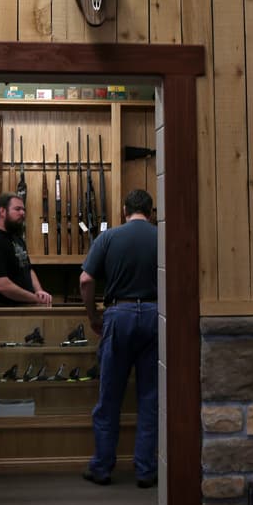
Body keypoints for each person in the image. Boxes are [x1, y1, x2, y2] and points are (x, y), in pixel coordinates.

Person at [78, 188, 158, 488]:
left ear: (124, 210)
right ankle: (146, 470)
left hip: (119, 313)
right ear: (150, 212)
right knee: (150, 397)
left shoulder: (108, 237)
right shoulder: (161, 237)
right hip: (155, 315)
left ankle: (102, 467)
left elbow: (86, 279)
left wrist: (93, 316)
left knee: (109, 396)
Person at [0, 192, 53, 306]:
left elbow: (27, 268)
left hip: (24, 306)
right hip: (5, 312)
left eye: (23, 210)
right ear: (2, 211)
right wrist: (34, 298)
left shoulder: (16, 238)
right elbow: (2, 285)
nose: (22, 213)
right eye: (17, 209)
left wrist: (39, 291)